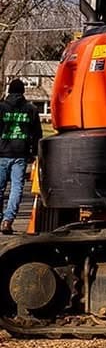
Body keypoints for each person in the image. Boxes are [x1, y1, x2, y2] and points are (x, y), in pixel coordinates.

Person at [0, 78, 43, 234]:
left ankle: (1, 218)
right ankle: (7, 220)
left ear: (9, 91)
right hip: (21, 154)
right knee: (16, 188)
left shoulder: (2, 108)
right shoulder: (31, 109)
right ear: (23, 91)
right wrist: (35, 154)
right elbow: (38, 134)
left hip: (2, 153)